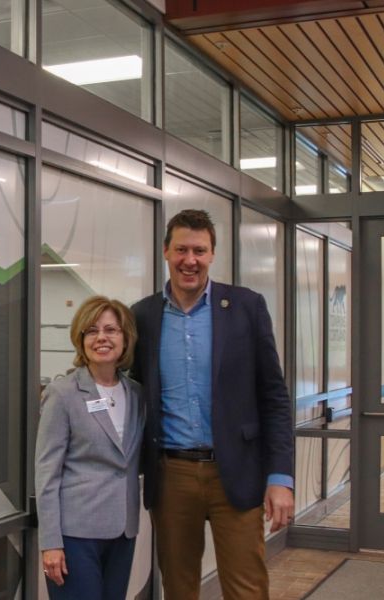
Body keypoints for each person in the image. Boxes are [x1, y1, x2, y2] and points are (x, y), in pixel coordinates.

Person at [131, 209, 294, 599]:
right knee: (179, 587)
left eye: (200, 251)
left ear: (212, 254)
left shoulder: (246, 307)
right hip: (171, 477)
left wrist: (280, 478)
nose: (191, 260)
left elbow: (274, 397)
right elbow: (131, 390)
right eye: (182, 249)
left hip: (236, 471)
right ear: (166, 252)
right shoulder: (143, 316)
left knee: (246, 587)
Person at [35, 295, 145, 600]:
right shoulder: (63, 394)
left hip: (123, 531)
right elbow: (46, 473)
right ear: (80, 339)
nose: (102, 338)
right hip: (75, 535)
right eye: (92, 331)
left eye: (111, 330)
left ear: (125, 338)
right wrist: (51, 542)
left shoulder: (136, 394)